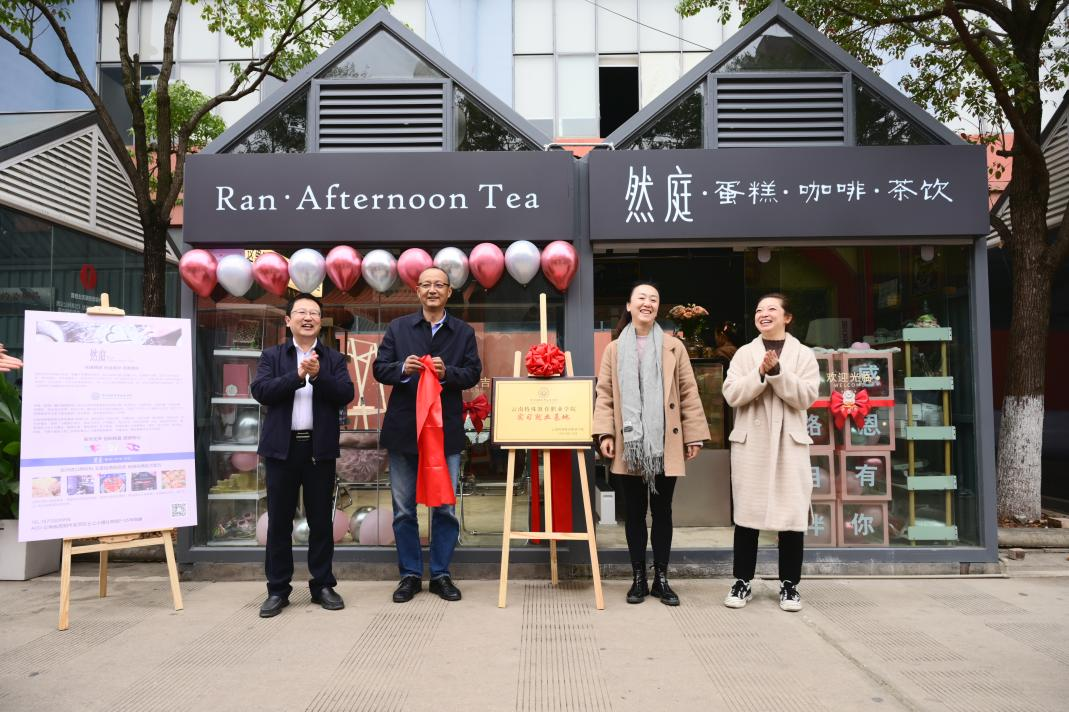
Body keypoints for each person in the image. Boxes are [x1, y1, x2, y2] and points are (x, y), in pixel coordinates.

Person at [593, 282, 710, 606]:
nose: (647, 303)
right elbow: (605, 394)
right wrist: (605, 434)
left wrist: (693, 434)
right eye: (641, 298)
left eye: (653, 299)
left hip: (664, 442)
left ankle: (661, 578)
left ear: (658, 307)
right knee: (633, 513)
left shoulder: (674, 347)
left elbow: (688, 391)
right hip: (629, 443)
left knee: (662, 512)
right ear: (629, 306)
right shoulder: (614, 349)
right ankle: (638, 579)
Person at [373, 267, 482, 603]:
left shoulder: (462, 331)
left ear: (449, 292)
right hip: (404, 429)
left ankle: (440, 574)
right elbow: (380, 368)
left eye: (439, 285)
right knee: (404, 509)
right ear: (417, 291)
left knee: (444, 508)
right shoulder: (399, 327)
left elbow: (473, 373)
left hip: (444, 432)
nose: (432, 290)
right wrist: (401, 369)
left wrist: (447, 373)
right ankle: (409, 574)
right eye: (426, 285)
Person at [251, 293, 354, 618]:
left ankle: (322, 585)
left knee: (320, 522)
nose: (308, 318)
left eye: (314, 313)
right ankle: (277, 590)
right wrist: (296, 377)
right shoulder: (272, 356)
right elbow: (261, 392)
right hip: (281, 450)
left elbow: (346, 394)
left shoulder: (333, 358)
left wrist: (319, 375)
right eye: (301, 312)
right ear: (288, 320)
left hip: (318, 450)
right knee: (279, 522)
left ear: (320, 321)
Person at [722, 293, 819, 612]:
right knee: (746, 517)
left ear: (787, 317)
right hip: (752, 443)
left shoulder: (803, 355)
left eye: (772, 309)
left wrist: (778, 372)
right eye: (759, 310)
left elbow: (806, 397)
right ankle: (742, 581)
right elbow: (732, 394)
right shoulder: (743, 354)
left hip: (789, 444)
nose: (763, 314)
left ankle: (790, 585)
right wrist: (760, 374)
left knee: (791, 517)